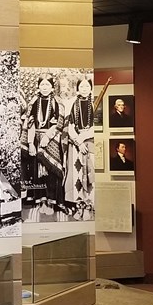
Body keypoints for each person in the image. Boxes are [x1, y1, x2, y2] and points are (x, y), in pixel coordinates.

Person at [23, 74, 63, 219]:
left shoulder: (57, 102)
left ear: (52, 87)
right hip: (36, 138)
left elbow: (59, 123)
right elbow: (30, 124)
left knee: (51, 173)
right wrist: (30, 143)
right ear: (38, 87)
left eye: (47, 85)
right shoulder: (34, 102)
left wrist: (47, 137)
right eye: (42, 85)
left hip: (52, 139)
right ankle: (42, 201)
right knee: (37, 172)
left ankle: (51, 202)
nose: (44, 87)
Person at [62, 77, 95, 217]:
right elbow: (68, 125)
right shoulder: (71, 103)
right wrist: (78, 141)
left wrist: (84, 137)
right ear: (77, 88)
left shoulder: (95, 103)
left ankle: (89, 204)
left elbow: (97, 125)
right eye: (81, 86)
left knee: (90, 173)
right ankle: (78, 204)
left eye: (87, 86)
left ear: (91, 88)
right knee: (76, 174)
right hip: (75, 145)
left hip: (91, 142)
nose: (84, 89)